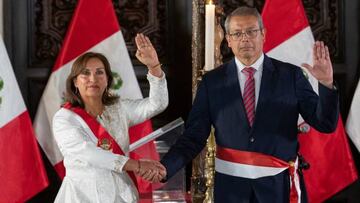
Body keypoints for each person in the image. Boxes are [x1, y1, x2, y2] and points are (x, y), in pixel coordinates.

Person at [159, 6, 339, 203]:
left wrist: (326, 84)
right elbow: (194, 137)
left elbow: (326, 124)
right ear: (228, 39)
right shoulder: (212, 82)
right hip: (231, 191)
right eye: (237, 33)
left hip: (279, 189)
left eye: (251, 31)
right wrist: (165, 167)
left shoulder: (291, 76)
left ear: (263, 34)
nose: (245, 38)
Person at [52, 33, 168, 203]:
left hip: (121, 196)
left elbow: (157, 104)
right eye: (85, 73)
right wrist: (138, 165)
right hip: (82, 197)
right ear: (75, 82)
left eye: (100, 72)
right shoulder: (64, 118)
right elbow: (89, 153)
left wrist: (154, 67)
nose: (93, 79)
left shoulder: (119, 109)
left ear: (107, 79)